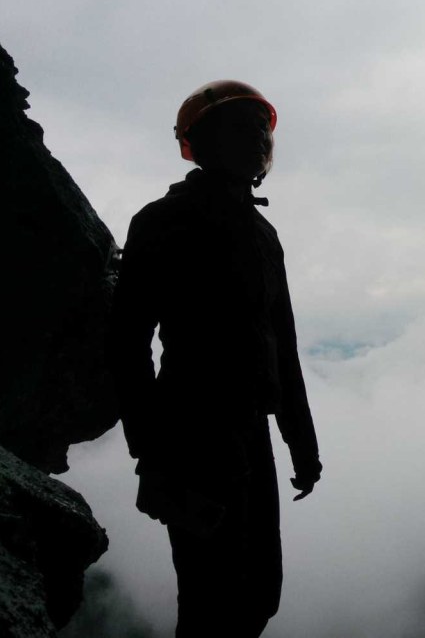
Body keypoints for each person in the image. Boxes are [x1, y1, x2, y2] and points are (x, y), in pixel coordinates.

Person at [108, 80, 322, 637]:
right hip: (193, 439)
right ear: (201, 143)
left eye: (260, 128)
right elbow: (128, 343)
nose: (256, 138)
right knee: (211, 598)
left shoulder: (262, 233)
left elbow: (283, 344)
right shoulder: (162, 222)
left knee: (256, 594)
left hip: (242, 433)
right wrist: (153, 453)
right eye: (240, 127)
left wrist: (301, 441)